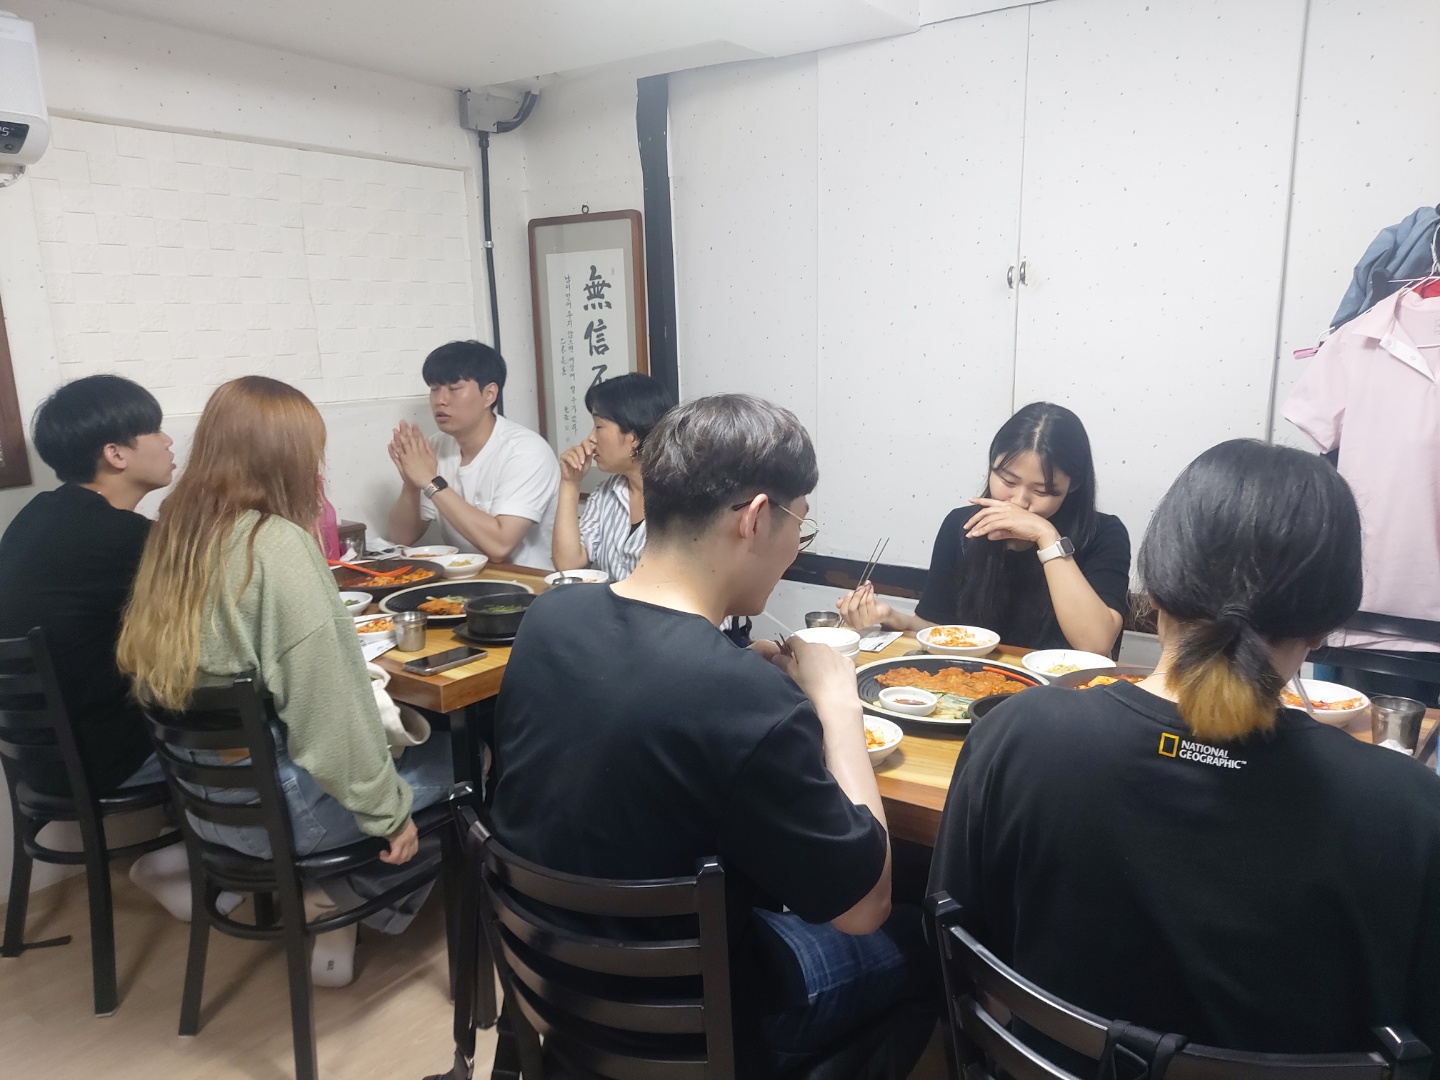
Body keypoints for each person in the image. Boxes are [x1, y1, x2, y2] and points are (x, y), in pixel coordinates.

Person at [929, 440, 1440, 1069]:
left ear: (1155, 589)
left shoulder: (1015, 735)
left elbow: (953, 945)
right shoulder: (1410, 811)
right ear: (1326, 622)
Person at [490, 395, 933, 1077]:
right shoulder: (744, 698)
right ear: (755, 518)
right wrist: (838, 705)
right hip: (701, 1032)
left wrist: (739, 674)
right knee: (926, 935)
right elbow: (861, 906)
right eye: (799, 527)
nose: (794, 550)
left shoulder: (551, 619)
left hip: (556, 993)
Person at [118, 376, 453, 986]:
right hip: (286, 809)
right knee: (474, 761)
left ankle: (257, 884)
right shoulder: (274, 544)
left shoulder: (175, 535)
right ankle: (341, 895)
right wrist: (388, 816)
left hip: (204, 805)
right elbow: (329, 717)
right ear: (289, 459)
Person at [838, 402, 1130, 655]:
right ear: (992, 465)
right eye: (1008, 481)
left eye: (1042, 491)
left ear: (1073, 485)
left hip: (1061, 695)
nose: (1019, 501)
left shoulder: (1104, 535)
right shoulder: (961, 527)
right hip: (970, 688)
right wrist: (892, 618)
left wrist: (1047, 537)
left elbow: (1096, 645)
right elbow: (941, 629)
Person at [0, 375, 174, 797]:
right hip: (104, 760)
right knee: (271, 724)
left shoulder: (36, 516)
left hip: (39, 761)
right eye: (154, 430)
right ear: (115, 454)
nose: (168, 441)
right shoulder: (121, 537)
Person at [387, 340, 560, 570]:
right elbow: (401, 538)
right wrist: (411, 483)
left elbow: (500, 546)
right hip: (465, 579)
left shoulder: (525, 451)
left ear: (489, 394)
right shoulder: (437, 446)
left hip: (530, 582)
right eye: (435, 388)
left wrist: (430, 482)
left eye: (454, 388)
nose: (440, 400)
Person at [550, 372, 675, 580]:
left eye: (599, 427)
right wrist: (570, 483)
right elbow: (567, 565)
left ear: (633, 437)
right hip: (610, 602)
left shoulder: (682, 499)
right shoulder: (607, 492)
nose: (591, 439)